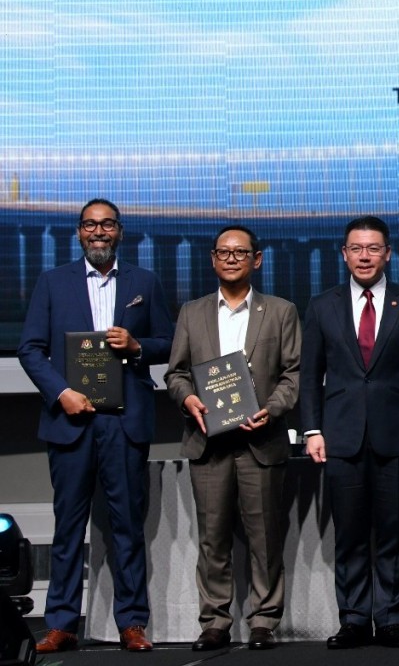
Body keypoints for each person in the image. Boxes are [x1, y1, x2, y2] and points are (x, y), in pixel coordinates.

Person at [18, 199, 174, 653]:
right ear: (79, 232)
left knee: (127, 526)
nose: (99, 232)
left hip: (124, 423)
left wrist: (138, 344)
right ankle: (62, 624)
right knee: (68, 526)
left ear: (120, 232)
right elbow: (30, 348)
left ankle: (131, 622)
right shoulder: (53, 282)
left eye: (107, 225)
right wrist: (60, 392)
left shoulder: (144, 282)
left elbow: (169, 341)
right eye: (90, 225)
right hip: (71, 420)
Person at [300, 216, 399, 649]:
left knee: (396, 534)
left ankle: (391, 620)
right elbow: (310, 377)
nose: (364, 255)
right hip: (340, 437)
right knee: (350, 535)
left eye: (373, 248)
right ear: (344, 254)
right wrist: (311, 429)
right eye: (356, 248)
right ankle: (355, 620)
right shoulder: (322, 305)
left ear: (387, 253)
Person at [164, 225, 300, 651]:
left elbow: (293, 376)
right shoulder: (192, 312)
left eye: (240, 252)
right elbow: (176, 373)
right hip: (209, 443)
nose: (231, 259)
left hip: (261, 442)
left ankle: (263, 621)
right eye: (223, 252)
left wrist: (272, 408)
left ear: (256, 260)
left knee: (265, 539)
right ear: (212, 259)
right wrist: (189, 401)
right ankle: (215, 622)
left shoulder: (281, 311)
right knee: (212, 539)